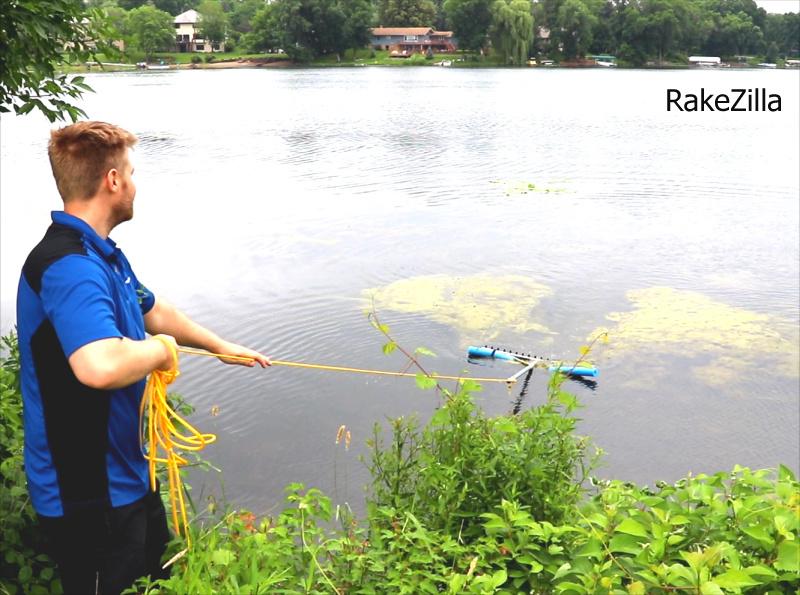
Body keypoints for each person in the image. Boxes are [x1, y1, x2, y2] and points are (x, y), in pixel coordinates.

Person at [16, 121, 270, 594]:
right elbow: (100, 365)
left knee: (157, 583)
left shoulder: (102, 255)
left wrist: (218, 346)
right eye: (130, 172)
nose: (134, 183)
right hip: (87, 496)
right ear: (113, 181)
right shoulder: (67, 267)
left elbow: (151, 309)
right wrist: (162, 352)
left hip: (127, 477)